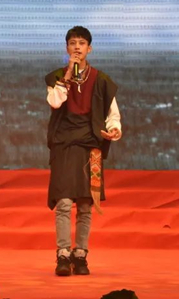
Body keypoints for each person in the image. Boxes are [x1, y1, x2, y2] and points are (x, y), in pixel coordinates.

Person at [44, 26, 122, 277]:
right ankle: (63, 254)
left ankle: (80, 255)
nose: (77, 47)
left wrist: (114, 129)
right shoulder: (57, 76)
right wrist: (69, 73)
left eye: (81, 43)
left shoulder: (101, 80)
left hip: (91, 146)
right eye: (72, 43)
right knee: (64, 202)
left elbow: (112, 114)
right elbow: (55, 102)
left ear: (90, 48)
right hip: (64, 144)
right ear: (67, 48)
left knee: (86, 204)